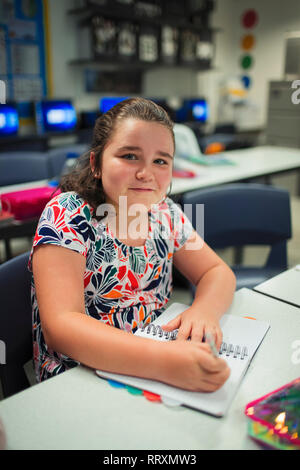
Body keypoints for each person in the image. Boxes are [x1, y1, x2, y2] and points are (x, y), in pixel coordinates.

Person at [30, 97, 235, 392]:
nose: (146, 173)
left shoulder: (164, 213)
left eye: (160, 160)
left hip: (153, 358)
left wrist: (203, 311)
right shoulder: (68, 213)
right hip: (80, 377)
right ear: (96, 163)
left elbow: (216, 271)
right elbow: (61, 327)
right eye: (129, 156)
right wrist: (165, 361)